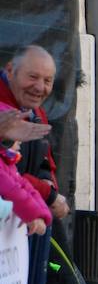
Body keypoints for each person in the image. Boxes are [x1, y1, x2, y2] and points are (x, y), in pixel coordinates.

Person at [0, 45, 70, 221]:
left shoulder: (37, 113)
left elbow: (44, 162)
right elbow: (9, 175)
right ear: (10, 70)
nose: (40, 88)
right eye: (33, 77)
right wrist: (48, 194)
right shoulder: (4, 114)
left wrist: (47, 183)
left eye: (47, 81)